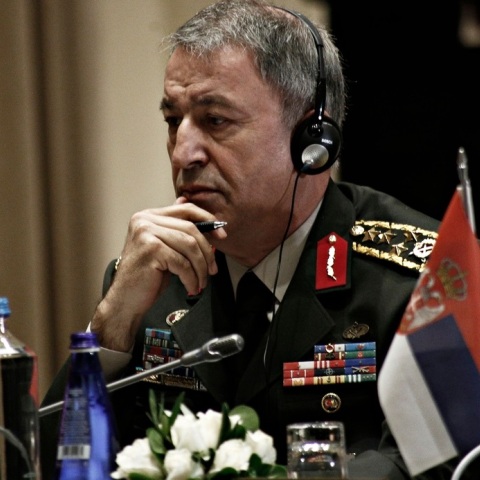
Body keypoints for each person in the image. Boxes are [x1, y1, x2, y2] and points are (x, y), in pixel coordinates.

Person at [39, 1, 470, 478]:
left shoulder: (426, 280)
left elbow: (437, 464)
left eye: (215, 120)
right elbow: (55, 463)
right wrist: (109, 327)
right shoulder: (152, 277)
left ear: (312, 139)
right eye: (173, 121)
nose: (183, 153)